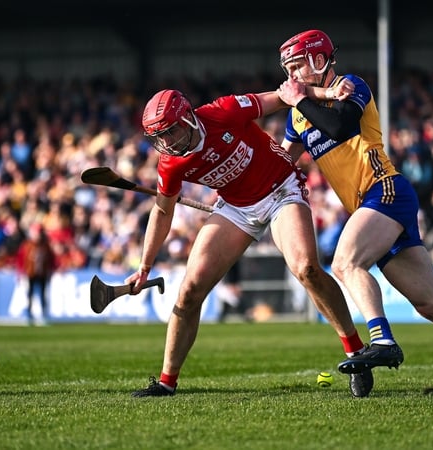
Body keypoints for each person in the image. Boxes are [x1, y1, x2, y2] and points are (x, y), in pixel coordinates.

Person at [276, 29, 433, 394]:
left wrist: (300, 100)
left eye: (298, 66)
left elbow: (340, 125)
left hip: (386, 190)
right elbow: (279, 162)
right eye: (289, 69)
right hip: (370, 205)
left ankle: (381, 341)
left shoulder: (351, 86)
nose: (293, 77)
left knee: (346, 263)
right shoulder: (298, 116)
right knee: (432, 304)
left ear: (319, 60)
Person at [128, 85, 379, 398]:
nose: (165, 143)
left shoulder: (222, 111)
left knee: (306, 269)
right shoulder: (171, 163)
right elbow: (162, 212)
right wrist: (144, 266)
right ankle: (166, 382)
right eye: (159, 137)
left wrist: (327, 91)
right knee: (190, 290)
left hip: (281, 189)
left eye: (170, 131)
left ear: (189, 118)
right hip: (235, 208)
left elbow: (283, 95)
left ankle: (356, 353)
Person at [15, 222, 57, 325]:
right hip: (30, 273)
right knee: (29, 294)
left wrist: (51, 270)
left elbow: (51, 260)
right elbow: (20, 259)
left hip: (42, 274)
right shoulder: (27, 245)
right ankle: (29, 315)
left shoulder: (45, 246)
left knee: (43, 295)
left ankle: (43, 315)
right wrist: (20, 272)